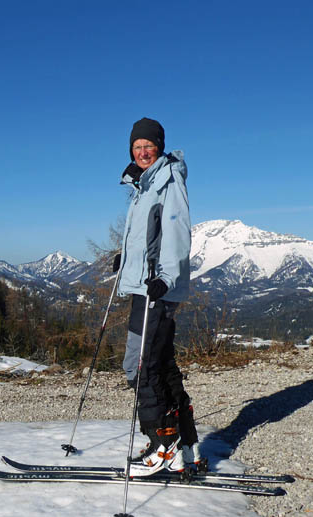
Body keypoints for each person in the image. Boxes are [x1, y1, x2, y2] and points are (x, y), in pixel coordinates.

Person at [114, 117, 205, 477]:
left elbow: (177, 231)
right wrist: (128, 256)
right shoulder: (144, 184)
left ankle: (161, 444)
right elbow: (149, 234)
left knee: (139, 366)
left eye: (148, 146)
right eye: (137, 147)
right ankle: (186, 447)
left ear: (159, 146)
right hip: (146, 284)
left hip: (155, 288)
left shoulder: (168, 180)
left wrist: (166, 277)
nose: (142, 151)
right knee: (162, 367)